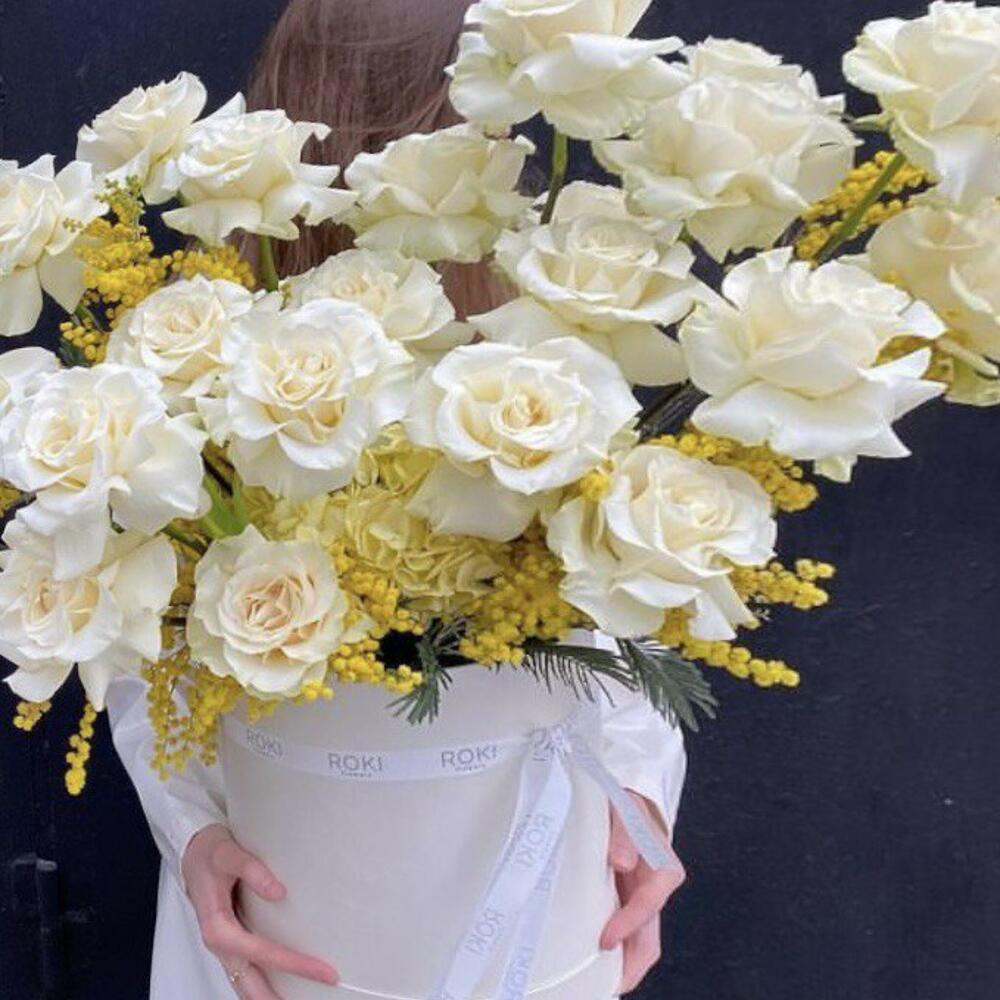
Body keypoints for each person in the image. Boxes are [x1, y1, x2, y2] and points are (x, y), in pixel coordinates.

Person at [107, 2, 688, 998]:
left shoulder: (544, 361)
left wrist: (638, 803)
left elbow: (620, 632)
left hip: (510, 879)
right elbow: (138, 649)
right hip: (287, 907)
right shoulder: (208, 382)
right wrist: (193, 835)